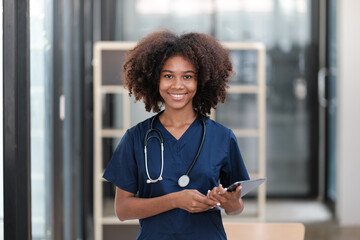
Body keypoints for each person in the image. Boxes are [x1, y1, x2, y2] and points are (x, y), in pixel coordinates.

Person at [103, 30, 249, 240]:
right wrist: (174, 200)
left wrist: (232, 203)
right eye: (168, 76)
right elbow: (123, 210)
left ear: (201, 81)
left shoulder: (222, 138)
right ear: (155, 80)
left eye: (187, 76)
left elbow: (236, 208)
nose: (178, 85)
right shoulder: (135, 138)